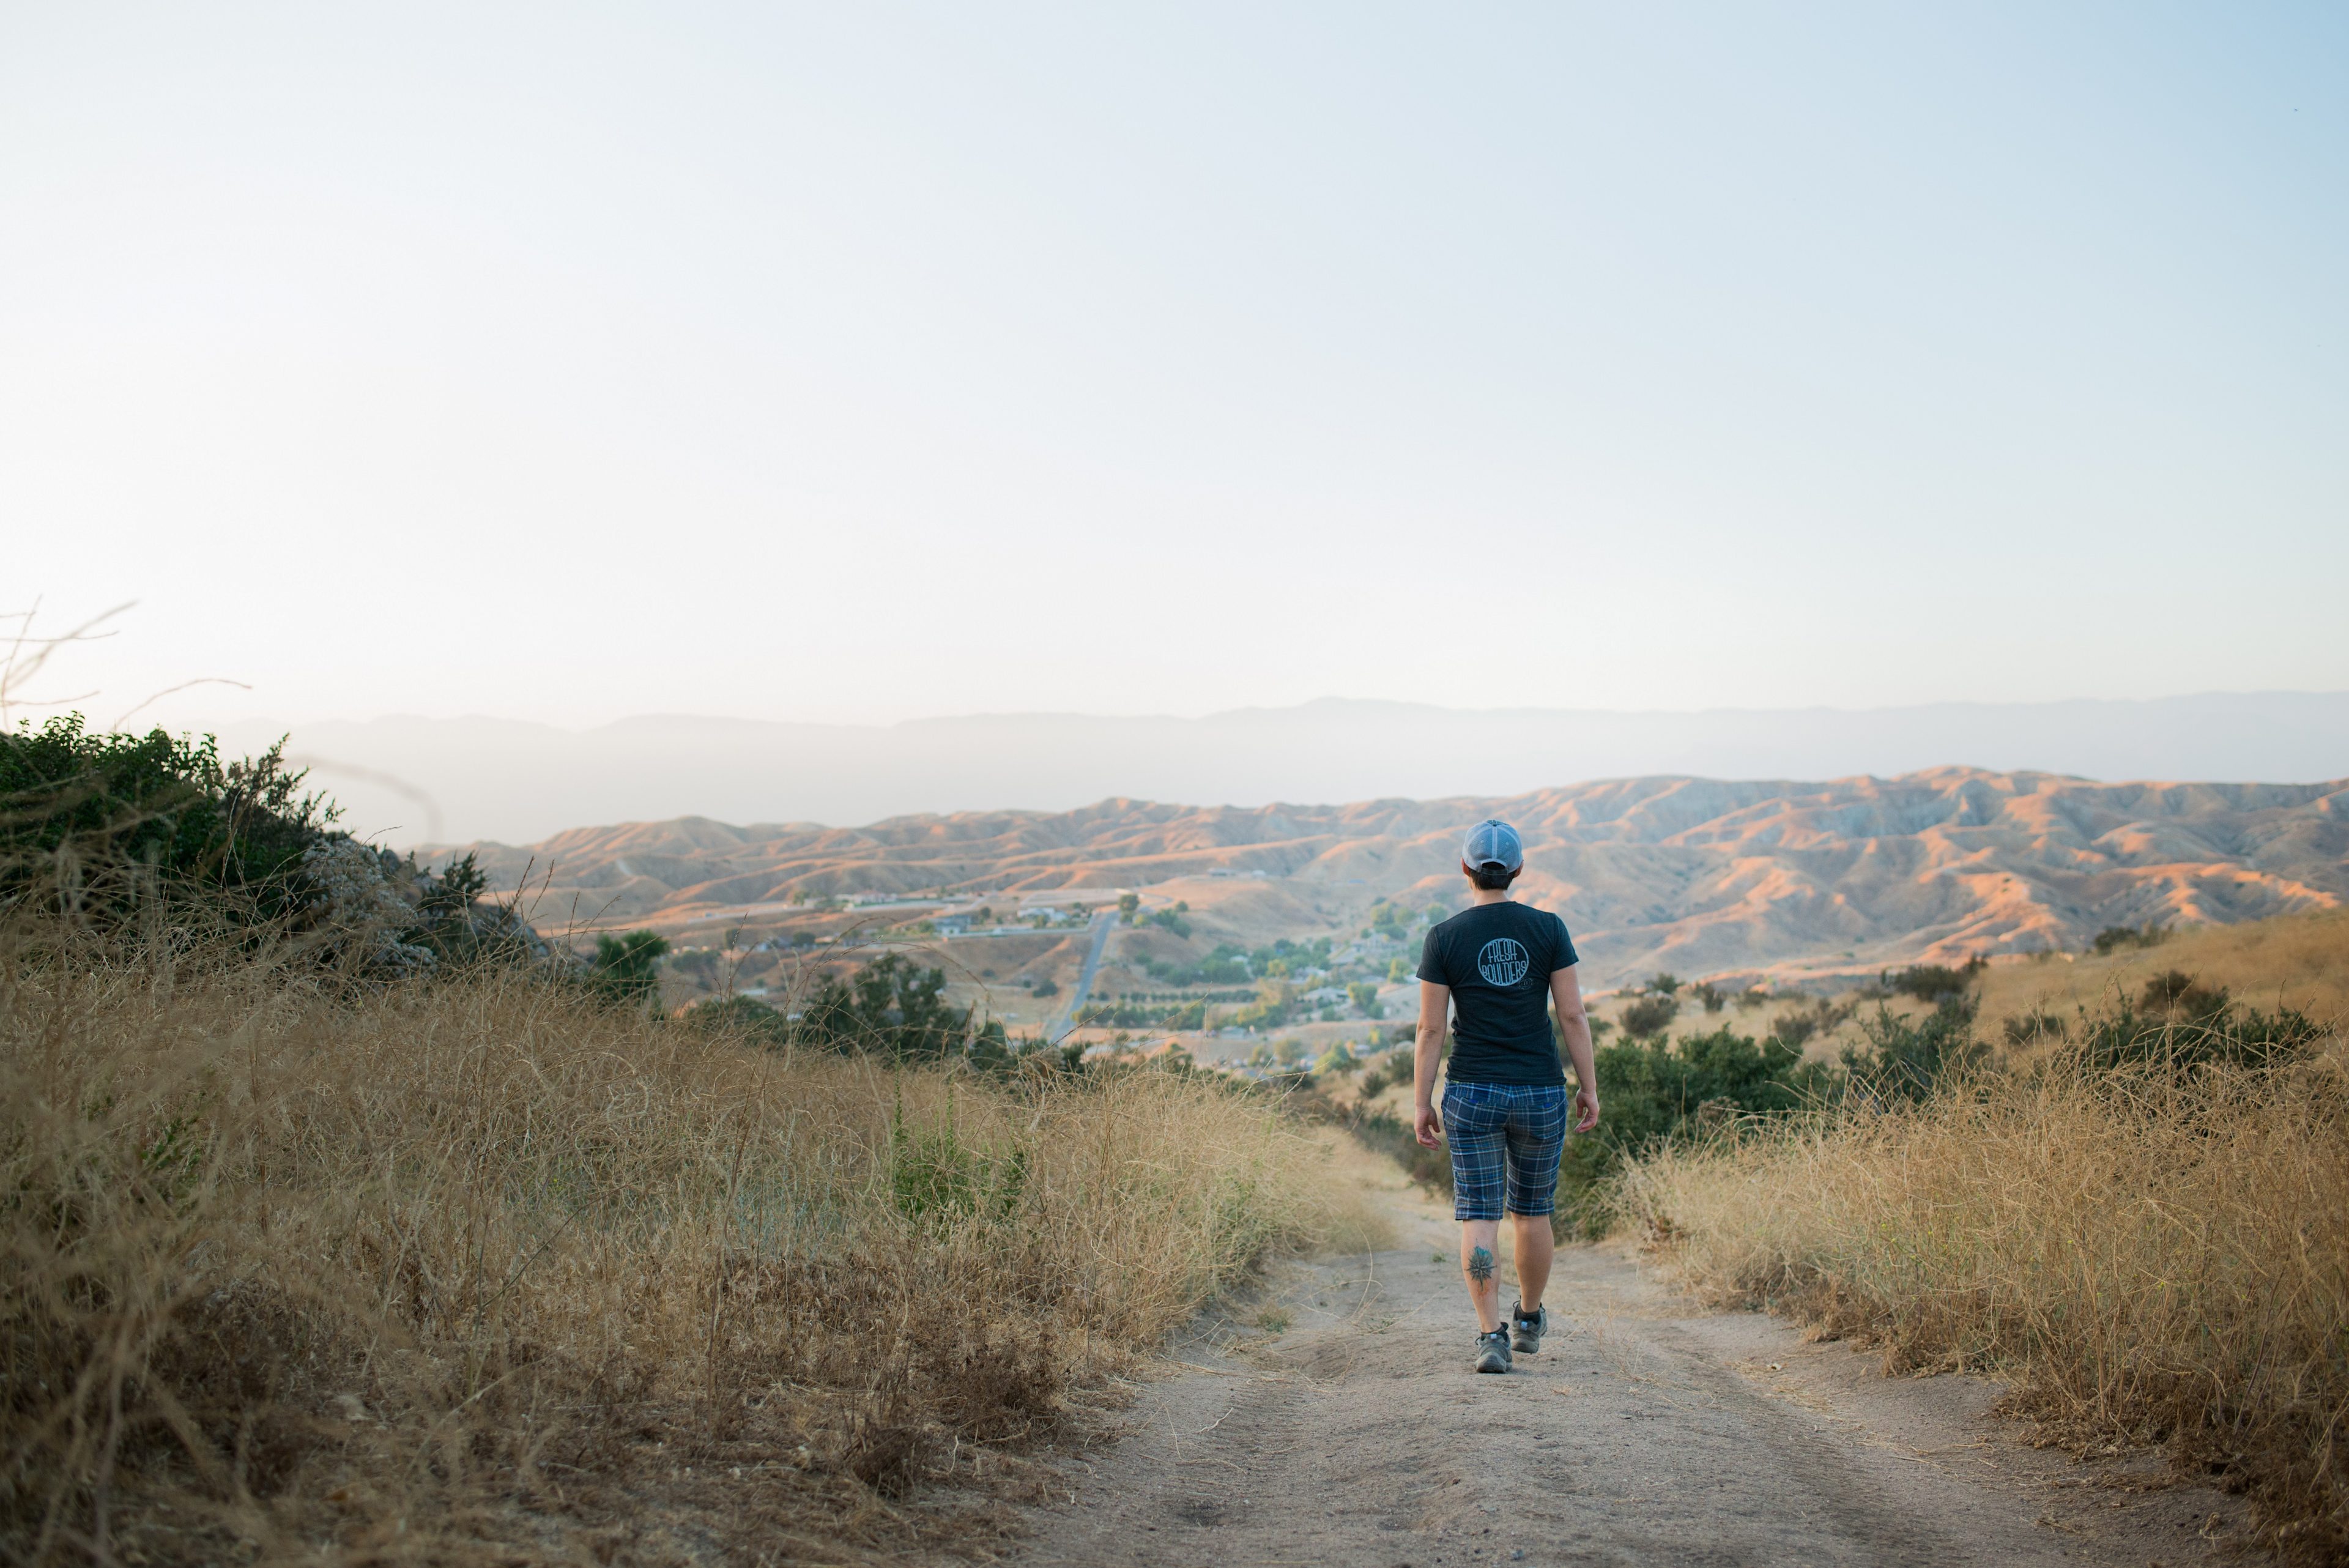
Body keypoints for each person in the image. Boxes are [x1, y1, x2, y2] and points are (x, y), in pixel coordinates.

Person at [1412, 818, 1600, 1373]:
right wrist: (1588, 1086)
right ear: (1517, 870)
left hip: (1471, 1091)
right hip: (1540, 1090)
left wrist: (1422, 1100)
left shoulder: (1444, 937)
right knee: (1533, 1212)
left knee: (1480, 1215)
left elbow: (1430, 1030)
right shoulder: (1548, 928)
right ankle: (1528, 1319)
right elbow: (1572, 1013)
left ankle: (1489, 1334)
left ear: (1466, 869)